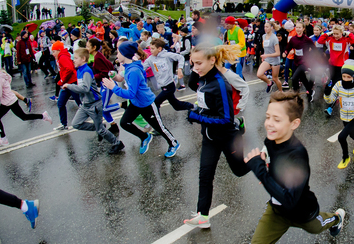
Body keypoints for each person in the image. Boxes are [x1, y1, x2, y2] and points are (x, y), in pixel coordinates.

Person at [244, 91, 345, 244]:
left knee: (317, 229)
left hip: (303, 212)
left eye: (277, 119)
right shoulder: (272, 139)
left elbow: (290, 199)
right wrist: (260, 160)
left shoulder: (297, 155)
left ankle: (336, 218)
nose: (269, 124)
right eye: (267, 117)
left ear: (294, 123)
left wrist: (259, 169)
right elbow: (267, 159)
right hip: (277, 211)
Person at [182, 42, 249, 228]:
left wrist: (196, 116)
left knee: (240, 171)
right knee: (205, 175)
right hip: (210, 137)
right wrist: (196, 67)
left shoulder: (221, 85)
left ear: (213, 61)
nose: (195, 68)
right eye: (192, 63)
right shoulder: (202, 77)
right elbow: (192, 86)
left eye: (199, 64)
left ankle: (262, 157)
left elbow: (226, 119)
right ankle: (203, 216)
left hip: (228, 137)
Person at [102, 41, 180, 158]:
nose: (116, 55)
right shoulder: (128, 67)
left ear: (125, 54)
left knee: (159, 127)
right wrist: (114, 77)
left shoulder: (134, 71)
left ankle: (173, 143)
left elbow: (131, 93)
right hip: (136, 103)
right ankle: (145, 137)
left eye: (118, 52)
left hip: (147, 103)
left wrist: (113, 87)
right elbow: (120, 78)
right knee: (124, 123)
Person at [63, 48, 125, 155]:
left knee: (100, 130)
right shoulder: (79, 70)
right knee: (76, 124)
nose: (74, 60)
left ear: (83, 59)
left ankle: (117, 143)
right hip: (85, 105)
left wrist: (69, 86)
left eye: (76, 58)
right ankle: (99, 127)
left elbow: (85, 89)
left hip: (94, 105)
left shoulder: (86, 71)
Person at [0, 58, 52, 147]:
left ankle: (4, 139)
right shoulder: (2, 73)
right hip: (11, 99)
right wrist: (6, 88)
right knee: (23, 117)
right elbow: (10, 78)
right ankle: (43, 116)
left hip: (8, 102)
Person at [317, 25, 354, 115]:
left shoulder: (346, 40)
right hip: (332, 65)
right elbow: (320, 41)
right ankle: (333, 99)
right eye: (334, 33)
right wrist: (328, 33)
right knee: (330, 83)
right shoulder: (330, 40)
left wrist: (348, 33)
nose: (335, 35)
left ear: (341, 33)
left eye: (337, 33)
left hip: (342, 66)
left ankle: (331, 108)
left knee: (337, 84)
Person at [142, 38, 188, 112]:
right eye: (150, 48)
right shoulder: (150, 59)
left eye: (153, 49)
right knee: (176, 105)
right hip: (162, 85)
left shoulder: (167, 55)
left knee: (156, 103)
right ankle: (194, 107)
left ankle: (156, 121)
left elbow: (180, 57)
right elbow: (143, 68)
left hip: (169, 85)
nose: (151, 50)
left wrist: (179, 69)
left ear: (159, 49)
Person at [51, 41, 81, 130]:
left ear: (59, 50)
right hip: (67, 84)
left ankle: (96, 118)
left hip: (71, 83)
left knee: (81, 103)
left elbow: (69, 69)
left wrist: (62, 80)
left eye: (54, 51)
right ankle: (63, 124)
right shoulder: (61, 56)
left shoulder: (62, 57)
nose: (53, 54)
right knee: (60, 103)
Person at [283, 21, 316, 102]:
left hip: (305, 62)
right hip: (297, 61)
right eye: (297, 27)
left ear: (303, 29)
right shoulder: (293, 39)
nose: (298, 29)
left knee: (294, 78)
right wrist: (285, 52)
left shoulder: (307, 39)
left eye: (300, 27)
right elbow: (288, 47)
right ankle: (311, 92)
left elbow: (314, 49)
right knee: (303, 79)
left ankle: (296, 96)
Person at [257, 21, 282, 93]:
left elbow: (278, 53)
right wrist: (264, 56)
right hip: (267, 60)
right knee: (259, 74)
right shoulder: (263, 36)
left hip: (275, 61)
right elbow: (265, 48)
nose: (265, 28)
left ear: (272, 28)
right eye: (265, 27)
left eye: (267, 27)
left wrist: (266, 55)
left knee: (275, 78)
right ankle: (269, 83)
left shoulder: (274, 38)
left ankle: (281, 92)